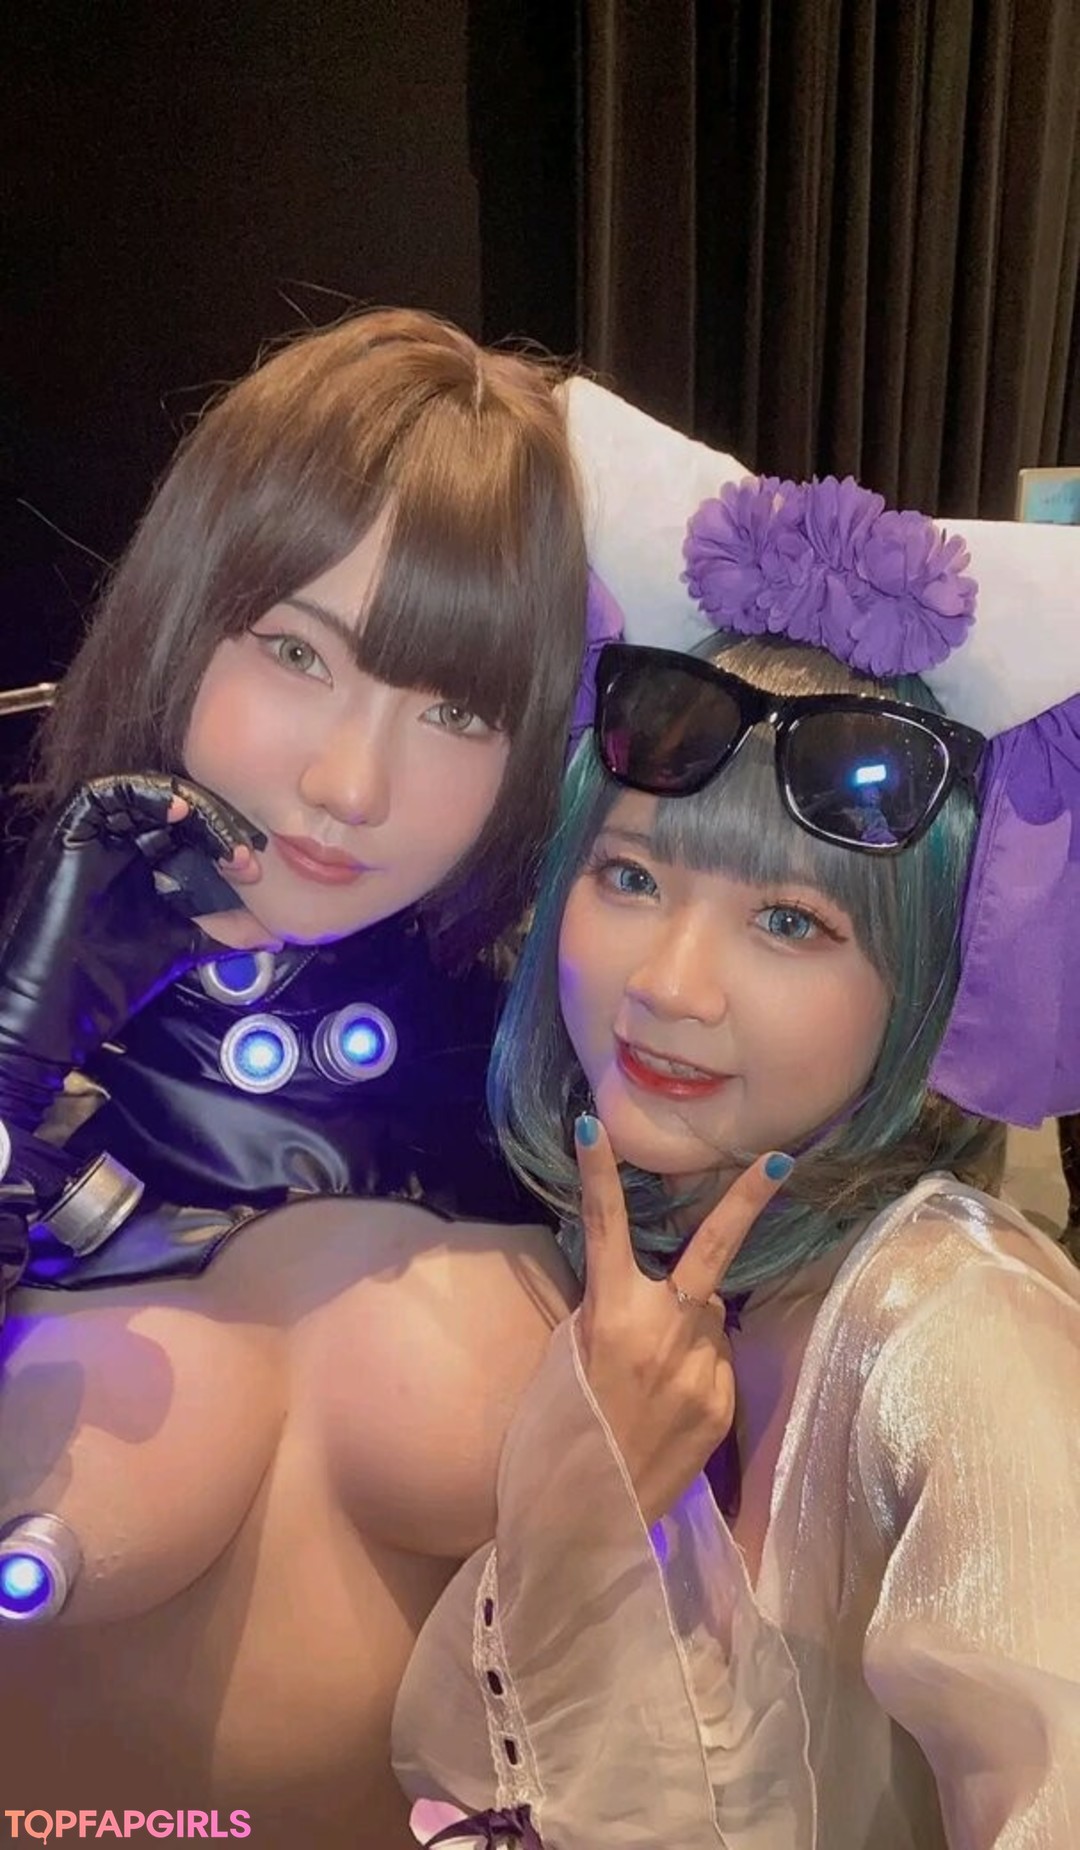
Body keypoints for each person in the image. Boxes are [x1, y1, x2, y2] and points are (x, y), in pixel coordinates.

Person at [391, 467, 1080, 1848]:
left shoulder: (959, 1334)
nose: (669, 985)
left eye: (791, 923)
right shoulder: (614, 1263)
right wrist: (579, 1514)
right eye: (632, 876)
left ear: (925, 987)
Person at [0, 306, 612, 1845]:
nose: (352, 784)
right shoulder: (17, 921)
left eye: (456, 709)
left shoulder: (559, 1039)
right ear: (185, 611)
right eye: (295, 651)